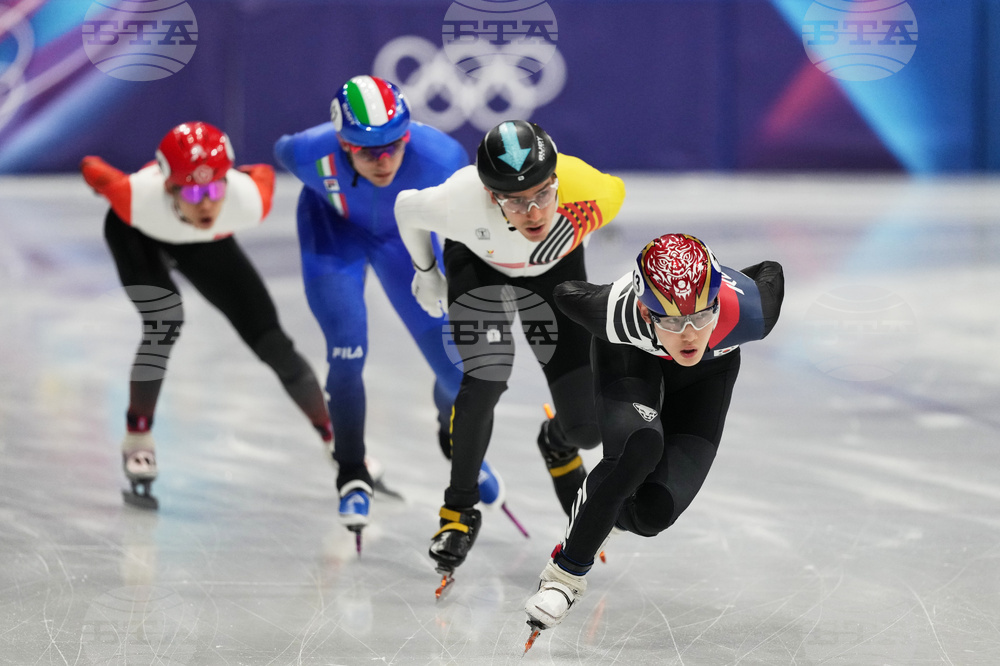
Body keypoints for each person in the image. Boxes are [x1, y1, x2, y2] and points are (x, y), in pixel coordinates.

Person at [273, 75, 505, 536]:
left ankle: (453, 432)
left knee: (458, 373)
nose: (384, 161)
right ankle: (352, 471)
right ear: (342, 143)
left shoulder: (442, 158)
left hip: (403, 241)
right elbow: (277, 151)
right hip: (332, 235)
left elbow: (470, 232)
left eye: (394, 146)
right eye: (366, 151)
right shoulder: (304, 152)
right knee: (347, 350)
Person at [521, 233, 784, 639]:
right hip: (630, 355)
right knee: (639, 447)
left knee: (652, 513)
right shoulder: (613, 313)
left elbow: (771, 271)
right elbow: (565, 291)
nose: (690, 334)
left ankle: (604, 508)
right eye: (673, 321)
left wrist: (731, 279)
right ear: (646, 313)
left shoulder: (751, 312)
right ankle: (563, 577)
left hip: (708, 375)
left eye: (701, 316)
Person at [394, 119, 627, 579]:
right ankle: (458, 512)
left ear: (557, 180)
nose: (534, 212)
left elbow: (616, 191)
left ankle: (558, 445)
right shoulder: (459, 200)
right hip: (480, 266)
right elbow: (406, 209)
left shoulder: (586, 190)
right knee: (485, 380)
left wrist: (578, 222)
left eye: (543, 194)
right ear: (490, 195)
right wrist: (427, 271)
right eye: (515, 202)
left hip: (555, 271)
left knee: (586, 431)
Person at [80, 121, 333, 509]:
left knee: (272, 341)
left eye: (215, 188)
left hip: (204, 241)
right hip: (136, 234)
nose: (206, 203)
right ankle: (137, 438)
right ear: (169, 186)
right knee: (165, 321)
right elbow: (93, 169)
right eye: (194, 191)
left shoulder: (247, 201)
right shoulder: (136, 199)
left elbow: (261, 174)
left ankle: (337, 442)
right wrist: (101, 177)